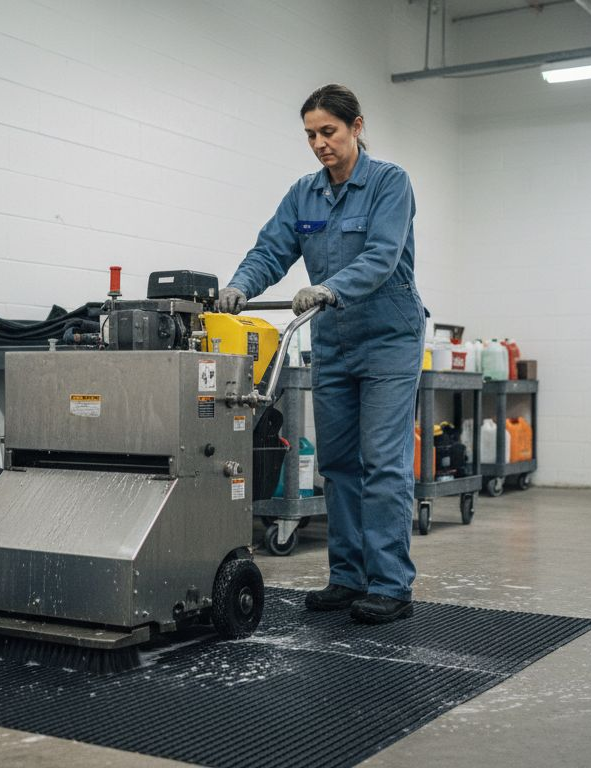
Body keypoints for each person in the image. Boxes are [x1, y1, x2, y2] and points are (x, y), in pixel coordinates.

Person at [217, 84, 425, 624]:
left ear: (357, 126)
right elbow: (271, 249)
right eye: (310, 134)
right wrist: (240, 287)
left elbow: (382, 257)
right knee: (337, 464)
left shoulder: (389, 184)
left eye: (328, 131)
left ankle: (390, 585)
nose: (319, 144)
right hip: (333, 341)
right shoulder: (303, 194)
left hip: (388, 342)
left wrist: (330, 287)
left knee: (382, 464)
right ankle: (348, 577)